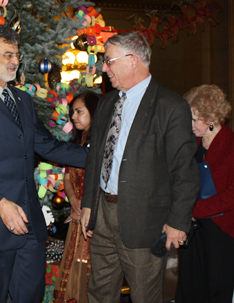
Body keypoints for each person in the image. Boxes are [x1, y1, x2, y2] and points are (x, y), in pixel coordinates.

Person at [0, 24, 88, 303]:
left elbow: (48, 146)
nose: (15, 61)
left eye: (17, 55)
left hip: (31, 230)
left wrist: (101, 155)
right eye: (7, 54)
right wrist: (0, 204)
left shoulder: (22, 100)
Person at [80, 32, 200, 303]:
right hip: (104, 215)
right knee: (99, 292)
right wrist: (89, 203)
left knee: (145, 297)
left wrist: (178, 222)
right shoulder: (109, 102)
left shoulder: (171, 106)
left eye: (109, 61)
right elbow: (95, 156)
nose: (103, 68)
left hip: (145, 220)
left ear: (132, 61)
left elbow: (185, 171)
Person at [176, 84, 234, 303]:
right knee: (190, 285)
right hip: (193, 227)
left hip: (221, 230)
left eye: (193, 119)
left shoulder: (230, 145)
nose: (189, 124)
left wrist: (196, 209)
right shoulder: (194, 143)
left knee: (216, 287)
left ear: (211, 118)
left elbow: (231, 195)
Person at [54, 91, 99, 303]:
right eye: (72, 112)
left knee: (88, 267)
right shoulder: (75, 142)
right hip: (77, 212)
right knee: (72, 263)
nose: (74, 116)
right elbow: (68, 176)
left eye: (79, 111)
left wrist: (86, 205)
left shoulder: (100, 144)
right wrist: (73, 201)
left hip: (94, 216)